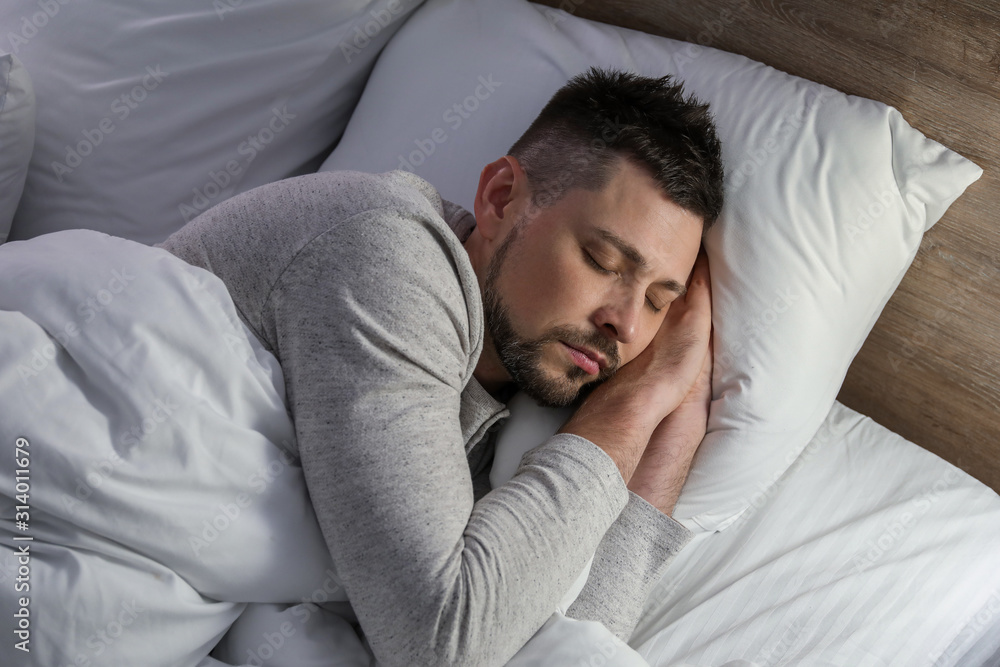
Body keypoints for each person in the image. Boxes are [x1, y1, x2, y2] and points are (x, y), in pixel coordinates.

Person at [157, 66, 724, 666]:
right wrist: (631, 410)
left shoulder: (519, 406)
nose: (628, 326)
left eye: (660, 300)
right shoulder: (384, 251)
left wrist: (675, 420)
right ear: (502, 199)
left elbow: (568, 649)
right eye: (601, 260)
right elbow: (441, 643)